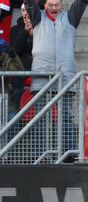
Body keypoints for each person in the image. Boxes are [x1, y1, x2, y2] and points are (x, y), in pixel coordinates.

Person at [24, 0, 87, 159]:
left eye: (56, 4)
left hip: (65, 78)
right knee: (40, 119)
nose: (53, 8)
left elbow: (82, 2)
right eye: (50, 4)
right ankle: (39, 156)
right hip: (41, 77)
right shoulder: (37, 17)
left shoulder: (71, 17)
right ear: (44, 6)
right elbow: (29, 2)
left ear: (62, 5)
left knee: (66, 117)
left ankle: (69, 155)